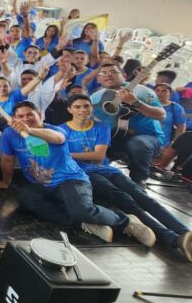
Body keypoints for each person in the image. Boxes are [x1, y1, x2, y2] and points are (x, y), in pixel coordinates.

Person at [0, 101, 155, 246]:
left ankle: (125, 222)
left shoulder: (56, 130)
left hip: (71, 180)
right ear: (14, 119)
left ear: (40, 114)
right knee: (24, 199)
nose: (26, 119)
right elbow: (7, 160)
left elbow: (58, 139)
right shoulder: (9, 134)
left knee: (81, 209)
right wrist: (6, 181)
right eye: (20, 116)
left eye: (30, 115)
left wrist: (30, 131)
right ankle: (86, 223)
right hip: (42, 185)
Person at [61, 94, 191, 260]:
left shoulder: (101, 127)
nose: (83, 110)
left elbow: (99, 156)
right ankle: (173, 239)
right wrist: (84, 154)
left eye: (86, 106)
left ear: (92, 108)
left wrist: (70, 154)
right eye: (77, 107)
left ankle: (185, 232)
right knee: (125, 200)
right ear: (69, 109)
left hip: (107, 169)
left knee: (142, 196)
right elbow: (67, 157)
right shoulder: (62, 130)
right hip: (84, 173)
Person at [90, 63, 166, 185]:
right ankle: (100, 178)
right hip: (113, 135)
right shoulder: (96, 96)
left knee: (137, 143)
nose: (108, 74)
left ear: (124, 75)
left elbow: (161, 115)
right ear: (98, 79)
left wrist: (136, 102)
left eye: (113, 71)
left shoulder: (142, 90)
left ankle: (138, 181)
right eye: (103, 73)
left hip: (146, 136)